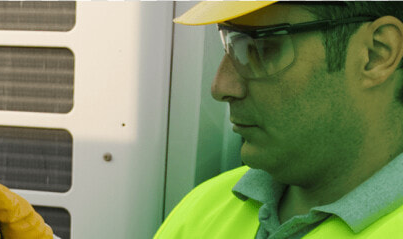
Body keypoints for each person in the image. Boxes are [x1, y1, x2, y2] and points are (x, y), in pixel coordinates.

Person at [155, 1, 403, 238]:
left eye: (261, 48)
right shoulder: (205, 206)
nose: (221, 87)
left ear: (376, 53)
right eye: (230, 44)